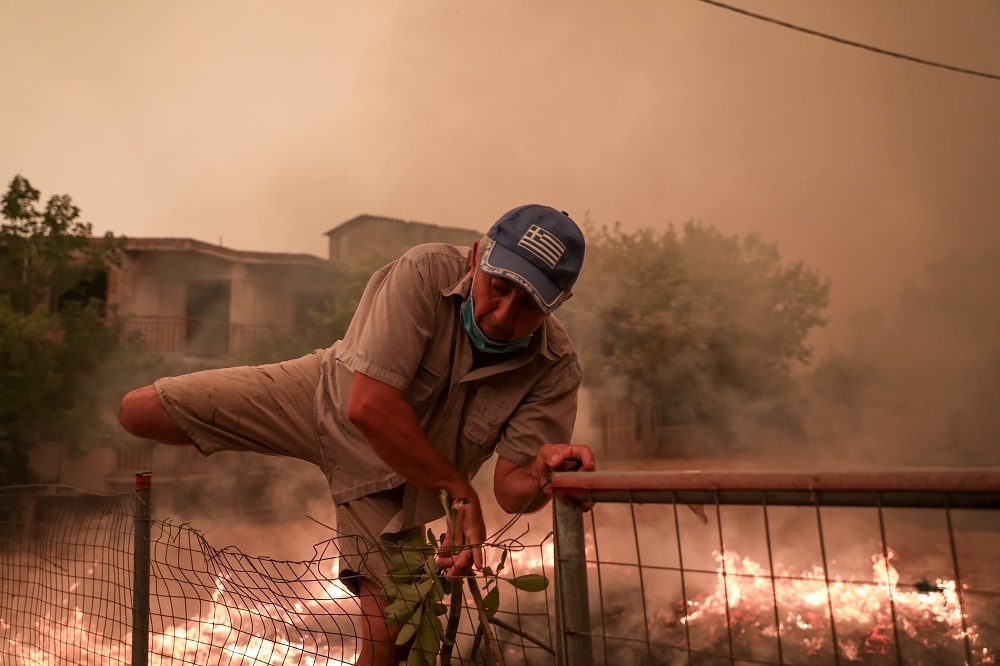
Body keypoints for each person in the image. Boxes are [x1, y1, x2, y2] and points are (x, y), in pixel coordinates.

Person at [118, 203, 595, 665]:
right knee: (139, 412)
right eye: (498, 286)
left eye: (529, 304)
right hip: (324, 396)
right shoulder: (424, 272)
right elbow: (368, 405)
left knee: (391, 637)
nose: (503, 313)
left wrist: (541, 472)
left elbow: (512, 493)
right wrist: (458, 491)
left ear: (559, 303)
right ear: (477, 257)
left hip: (398, 485)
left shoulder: (554, 369)